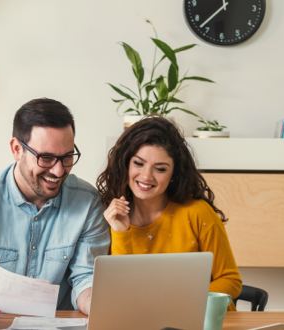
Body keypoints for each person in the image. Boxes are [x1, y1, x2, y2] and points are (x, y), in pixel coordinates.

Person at [0, 98, 110, 329]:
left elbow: (85, 279)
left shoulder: (88, 202)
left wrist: (98, 303)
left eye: (66, 157)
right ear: (17, 149)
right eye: (46, 158)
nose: (58, 170)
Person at [96, 116, 242, 310]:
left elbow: (231, 280)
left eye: (160, 169)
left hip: (201, 320)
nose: (146, 176)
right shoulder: (109, 216)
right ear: (125, 164)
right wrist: (121, 232)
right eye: (138, 163)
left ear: (174, 174)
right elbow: (121, 292)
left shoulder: (197, 213)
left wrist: (175, 301)